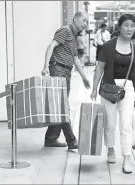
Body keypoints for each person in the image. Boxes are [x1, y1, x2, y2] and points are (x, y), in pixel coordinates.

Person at [90, 14, 135, 174]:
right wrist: (94, 89)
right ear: (119, 27)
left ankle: (126, 159)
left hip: (128, 88)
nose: (129, 28)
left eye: (132, 25)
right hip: (109, 88)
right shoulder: (108, 46)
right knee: (110, 124)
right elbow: (100, 67)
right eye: (126, 25)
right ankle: (110, 149)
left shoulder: (134, 47)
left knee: (126, 125)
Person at [41, 12, 91, 149]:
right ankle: (72, 140)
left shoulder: (74, 37)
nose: (85, 24)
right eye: (83, 20)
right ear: (75, 18)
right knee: (62, 106)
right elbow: (51, 46)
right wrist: (45, 66)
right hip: (58, 70)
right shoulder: (65, 30)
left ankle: (51, 138)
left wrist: (84, 77)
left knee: (59, 106)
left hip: (66, 71)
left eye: (87, 22)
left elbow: (75, 59)